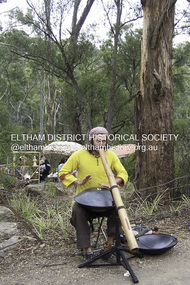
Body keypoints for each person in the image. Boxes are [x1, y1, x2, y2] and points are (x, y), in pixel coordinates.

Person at [59, 127, 128, 259]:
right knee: (77, 210)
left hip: (106, 200)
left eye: (104, 141)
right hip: (85, 201)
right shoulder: (79, 155)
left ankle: (110, 243)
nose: (101, 144)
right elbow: (63, 173)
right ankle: (87, 249)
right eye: (98, 141)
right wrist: (76, 181)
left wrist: (113, 182)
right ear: (91, 141)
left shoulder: (111, 156)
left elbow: (123, 173)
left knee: (118, 208)